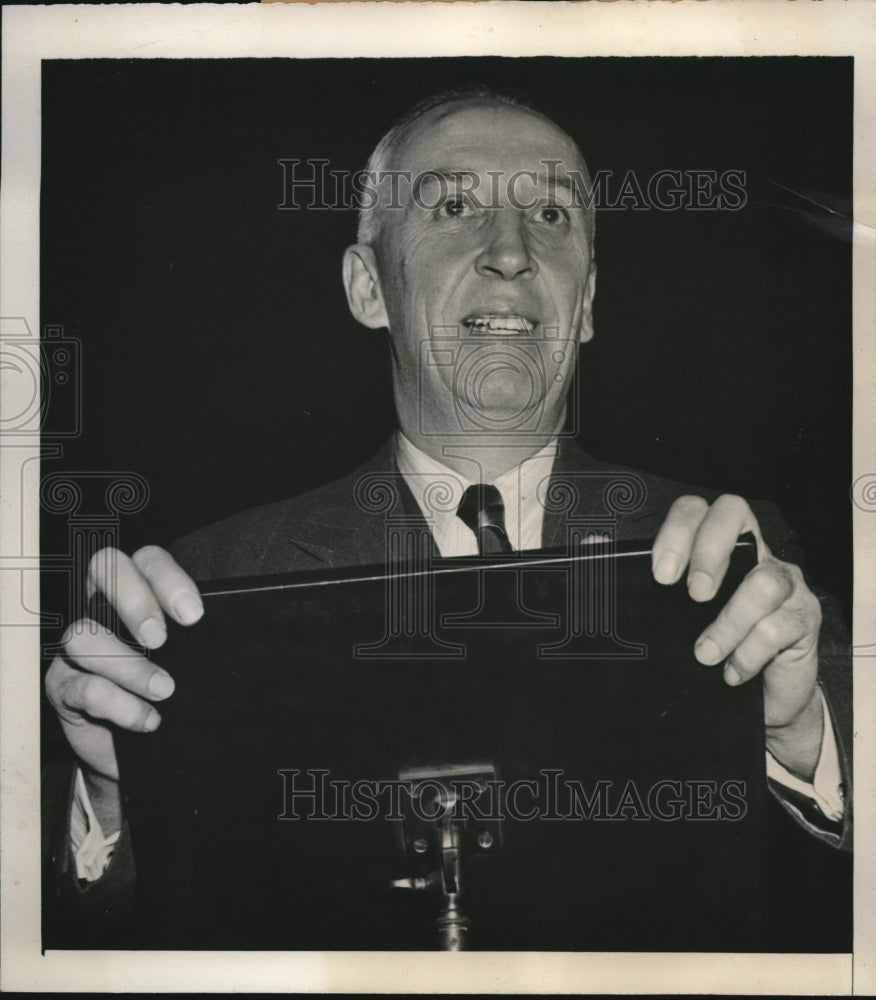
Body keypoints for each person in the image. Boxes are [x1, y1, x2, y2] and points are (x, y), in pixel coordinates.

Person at [43, 88, 851, 941]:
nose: (511, 252)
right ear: (369, 287)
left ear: (586, 305)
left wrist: (803, 734)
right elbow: (87, 937)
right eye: (456, 206)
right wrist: (115, 790)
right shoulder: (204, 592)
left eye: (550, 213)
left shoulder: (741, 561)